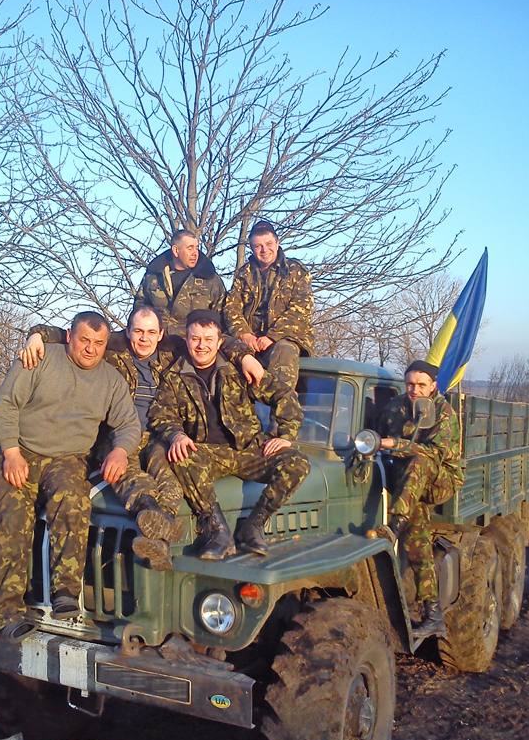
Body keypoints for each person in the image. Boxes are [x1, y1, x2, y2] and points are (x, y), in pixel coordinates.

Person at [21, 306, 264, 569]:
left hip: (160, 435)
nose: (144, 338)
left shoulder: (174, 349)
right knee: (128, 474)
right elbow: (74, 334)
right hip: (118, 435)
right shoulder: (115, 349)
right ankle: (152, 515)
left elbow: (212, 338)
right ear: (128, 332)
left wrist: (245, 357)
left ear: (161, 334)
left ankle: (159, 534)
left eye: (151, 332)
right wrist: (36, 335)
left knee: (169, 478)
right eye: (138, 331)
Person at [0, 312, 141, 642]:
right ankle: (7, 612)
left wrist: (120, 451)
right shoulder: (40, 358)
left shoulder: (111, 380)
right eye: (84, 340)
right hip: (23, 450)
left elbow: (128, 425)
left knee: (73, 500)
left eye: (99, 343)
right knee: (12, 519)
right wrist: (11, 452)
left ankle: (65, 595)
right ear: (69, 335)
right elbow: (6, 405)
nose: (91, 349)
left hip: (67, 458)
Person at [148, 310, 311, 561]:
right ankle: (218, 531)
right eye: (195, 339)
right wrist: (176, 435)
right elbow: (162, 415)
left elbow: (283, 394)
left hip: (248, 448)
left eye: (208, 339)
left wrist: (286, 433)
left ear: (219, 342)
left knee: (297, 462)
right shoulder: (174, 377)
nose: (202, 345)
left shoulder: (238, 369)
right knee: (179, 456)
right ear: (187, 339)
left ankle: (254, 526)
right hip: (206, 451)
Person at [375, 360, 464, 639]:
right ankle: (433, 615)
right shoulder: (396, 407)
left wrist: (393, 444)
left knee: (420, 460)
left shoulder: (443, 412)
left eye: (421, 385)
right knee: (418, 542)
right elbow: (376, 435)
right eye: (410, 384)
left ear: (433, 386)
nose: (414, 390)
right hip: (409, 482)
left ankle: (395, 523)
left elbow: (434, 453)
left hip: (441, 477)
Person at [223, 219, 314, 391]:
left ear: (277, 243)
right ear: (252, 248)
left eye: (269, 243)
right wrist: (244, 333)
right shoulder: (244, 274)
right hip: (250, 339)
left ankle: (282, 414)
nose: (264, 250)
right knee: (222, 351)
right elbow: (231, 307)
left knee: (283, 354)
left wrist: (273, 336)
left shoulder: (296, 271)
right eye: (258, 246)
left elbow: (301, 310)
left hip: (286, 338)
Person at [134, 230, 226, 336]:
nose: (195, 253)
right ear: (176, 251)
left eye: (197, 248)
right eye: (190, 248)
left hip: (194, 346)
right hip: (157, 344)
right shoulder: (154, 276)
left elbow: (220, 319)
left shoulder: (210, 280)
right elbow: (139, 308)